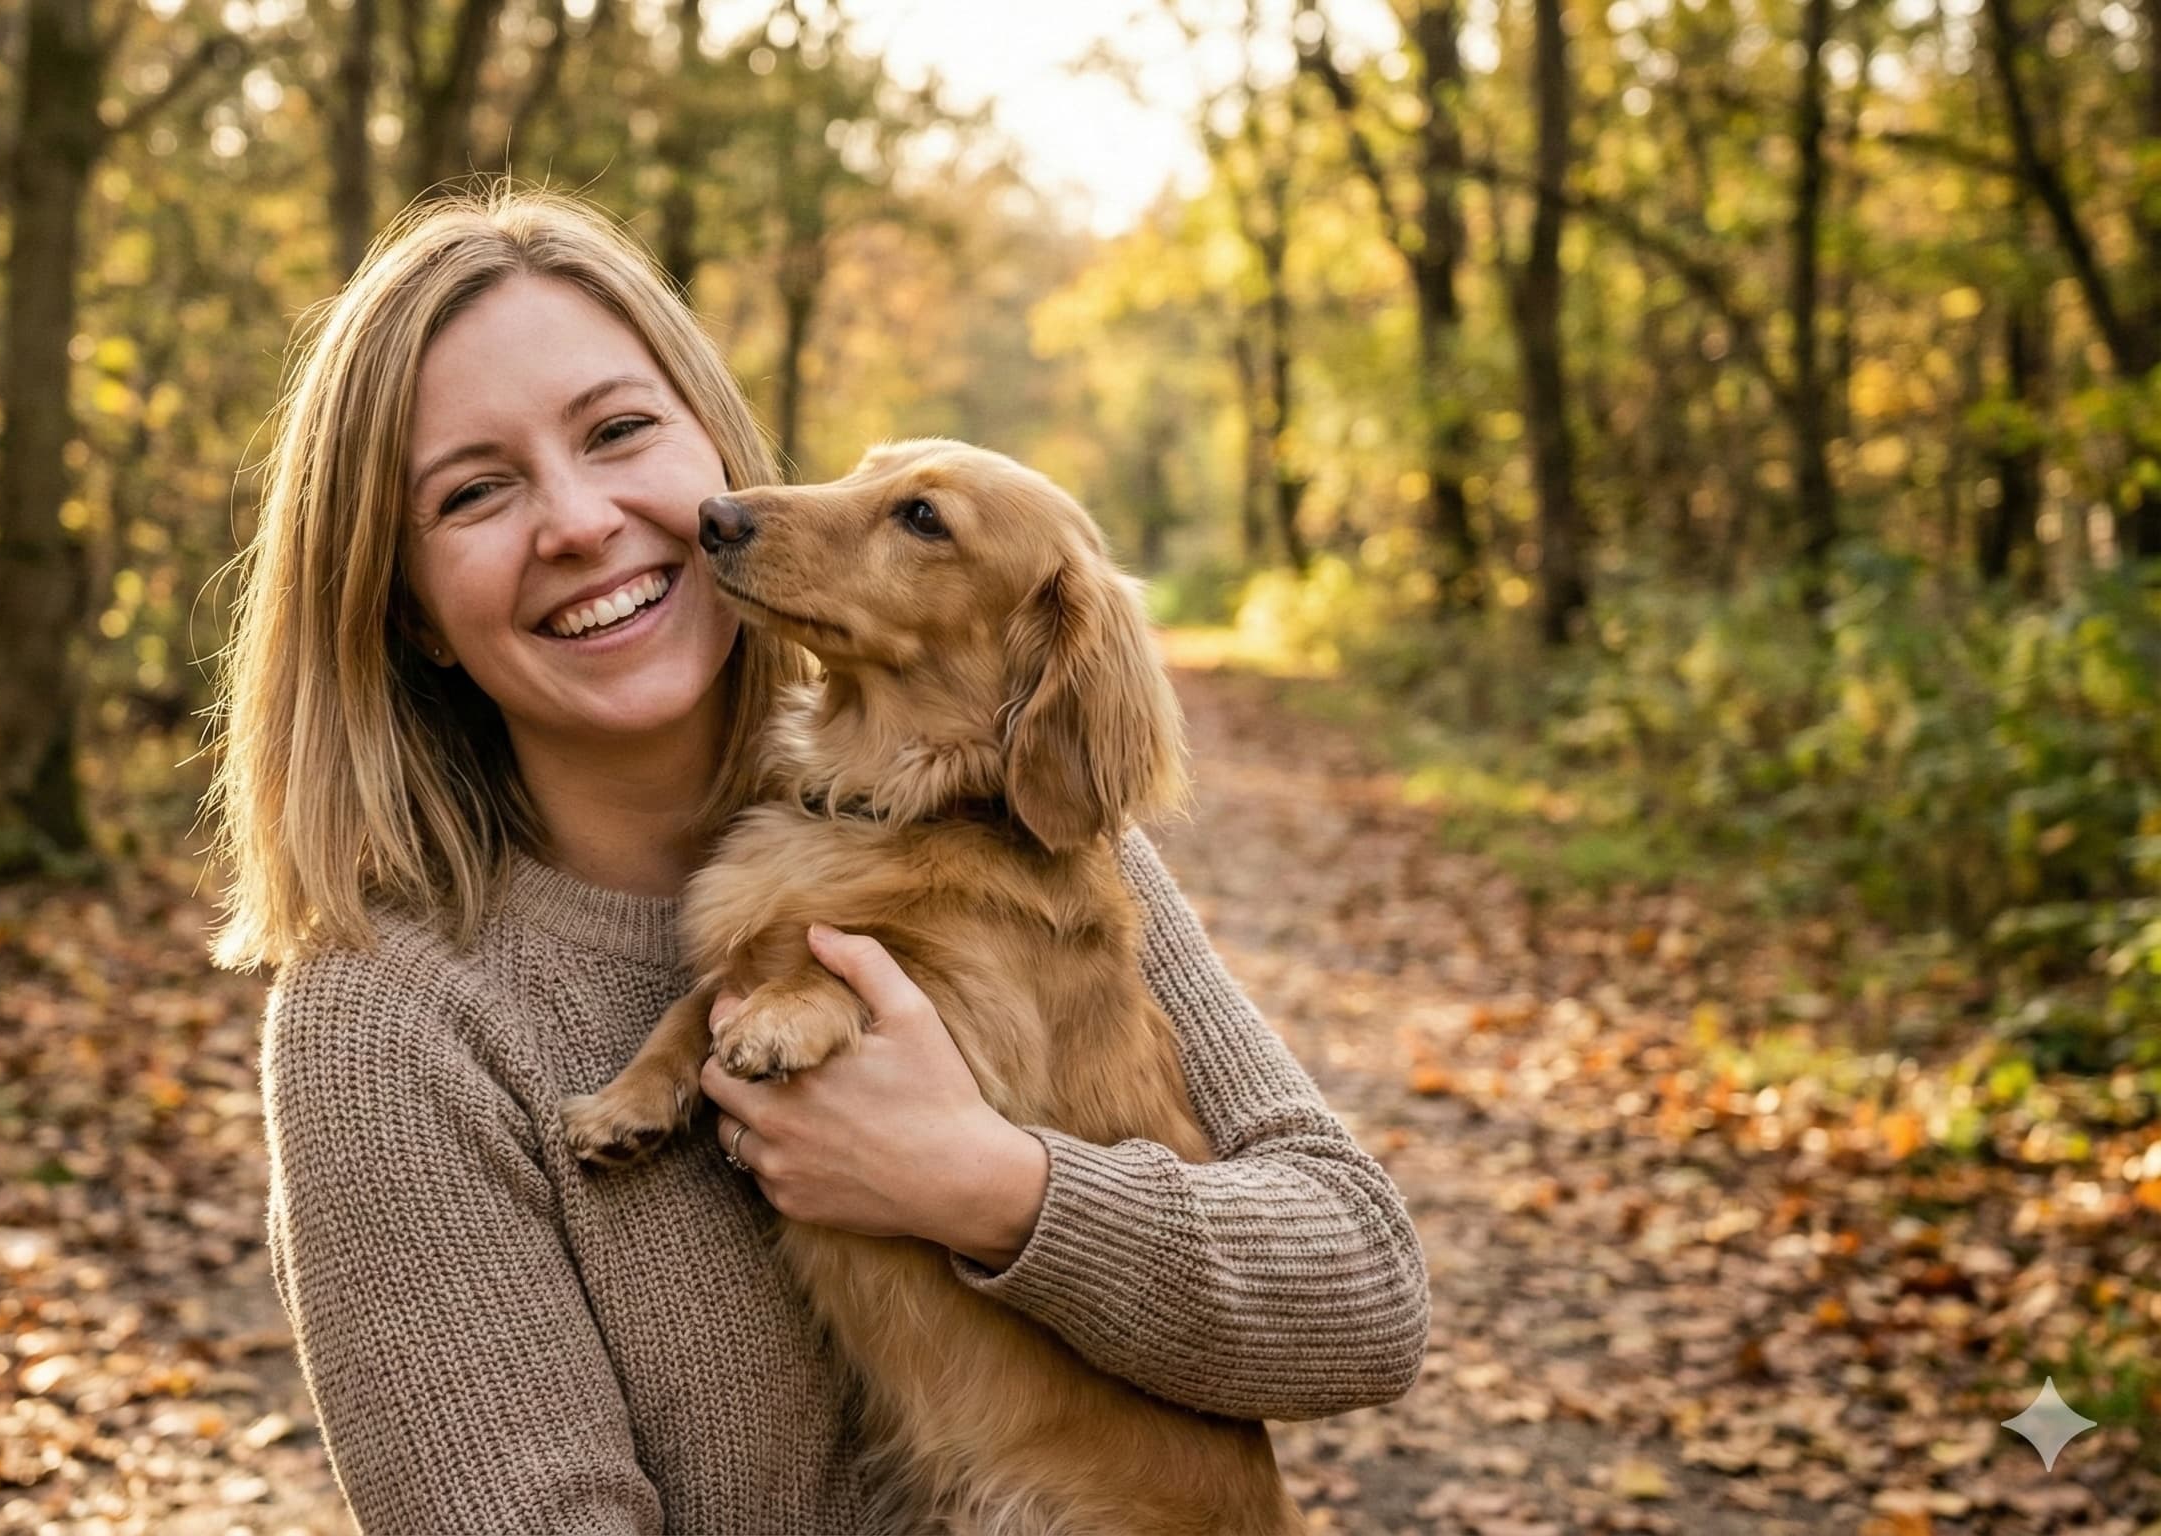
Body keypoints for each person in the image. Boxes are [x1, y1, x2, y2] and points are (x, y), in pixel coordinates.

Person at [208, 187, 1430, 1534]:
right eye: (476, 492)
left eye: (617, 431)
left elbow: (1363, 1302)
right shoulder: (388, 1025)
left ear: (716, 455)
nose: (575, 522)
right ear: (412, 611)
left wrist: (989, 1188)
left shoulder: (1033, 840)